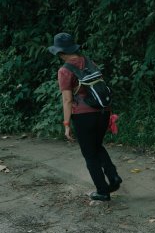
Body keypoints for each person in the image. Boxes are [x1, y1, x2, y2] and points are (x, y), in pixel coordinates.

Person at [48, 32, 122, 201]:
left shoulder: (65, 70)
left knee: (89, 154)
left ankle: (102, 191)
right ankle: (113, 177)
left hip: (83, 117)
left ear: (61, 52)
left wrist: (66, 124)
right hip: (103, 112)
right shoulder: (90, 62)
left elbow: (67, 100)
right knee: (97, 146)